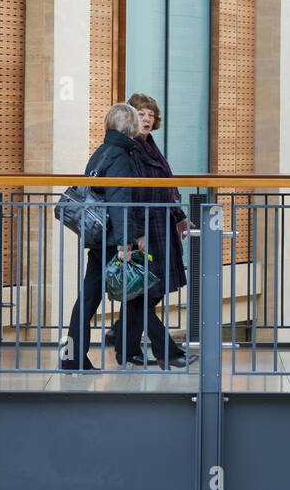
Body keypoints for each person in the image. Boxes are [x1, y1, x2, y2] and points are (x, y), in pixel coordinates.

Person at [105, 93, 196, 369]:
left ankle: (124, 342)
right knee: (143, 293)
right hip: (144, 230)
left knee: (146, 293)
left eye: (151, 115)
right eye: (141, 113)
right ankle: (166, 351)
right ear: (131, 118)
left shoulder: (152, 147)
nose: (146, 119)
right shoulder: (130, 148)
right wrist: (135, 234)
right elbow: (127, 195)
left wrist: (180, 217)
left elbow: (167, 187)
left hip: (161, 225)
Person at [60, 103, 145, 371]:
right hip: (111, 241)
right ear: (130, 127)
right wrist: (124, 245)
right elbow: (120, 203)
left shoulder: (100, 152)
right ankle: (139, 349)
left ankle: (72, 358)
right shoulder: (120, 157)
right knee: (136, 294)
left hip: (98, 238)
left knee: (88, 299)